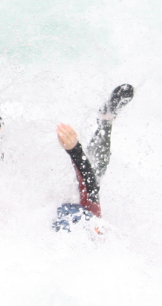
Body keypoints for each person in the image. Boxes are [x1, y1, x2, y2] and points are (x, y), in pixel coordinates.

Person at [53, 84, 135, 232]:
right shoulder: (96, 231)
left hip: (75, 204)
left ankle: (106, 118)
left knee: (90, 182)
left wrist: (74, 149)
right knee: (96, 172)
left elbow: (87, 181)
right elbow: (90, 183)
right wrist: (74, 149)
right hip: (83, 203)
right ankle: (106, 119)